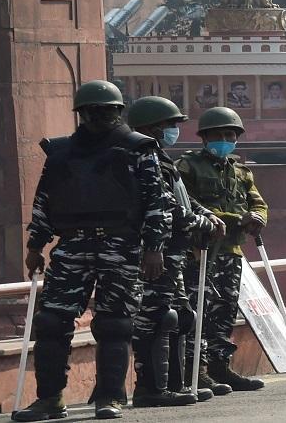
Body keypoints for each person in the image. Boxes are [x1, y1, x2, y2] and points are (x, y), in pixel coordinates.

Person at [14, 81, 170, 421]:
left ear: (119, 112)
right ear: (82, 114)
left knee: (114, 324)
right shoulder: (60, 153)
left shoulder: (138, 149)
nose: (102, 116)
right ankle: (50, 399)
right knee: (51, 321)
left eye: (109, 110)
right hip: (72, 246)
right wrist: (35, 245)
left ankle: (109, 397)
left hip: (121, 246)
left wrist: (154, 247)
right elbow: (45, 201)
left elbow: (156, 201)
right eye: (94, 111)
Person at [127, 97, 226, 407]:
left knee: (181, 316)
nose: (172, 131)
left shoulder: (162, 159)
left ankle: (176, 384)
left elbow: (182, 198)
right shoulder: (142, 158)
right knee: (157, 317)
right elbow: (166, 207)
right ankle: (150, 388)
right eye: (168, 125)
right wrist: (201, 222)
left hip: (174, 251)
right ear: (149, 127)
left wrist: (207, 214)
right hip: (155, 251)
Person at [178, 107, 269, 393]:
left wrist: (257, 218)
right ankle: (197, 371)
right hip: (201, 249)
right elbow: (187, 204)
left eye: (230, 135)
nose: (225, 139)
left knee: (225, 310)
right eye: (219, 135)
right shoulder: (187, 167)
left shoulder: (241, 171)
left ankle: (221, 366)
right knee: (198, 310)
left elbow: (258, 203)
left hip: (231, 250)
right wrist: (233, 219)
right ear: (204, 138)